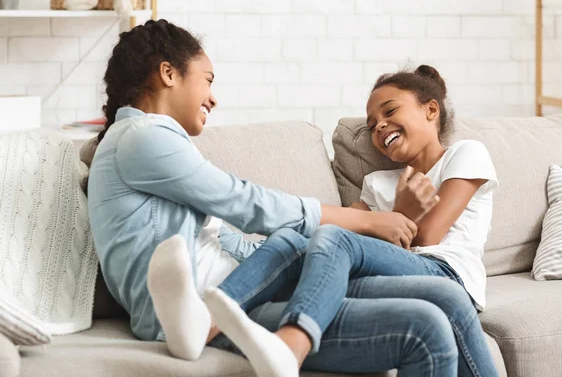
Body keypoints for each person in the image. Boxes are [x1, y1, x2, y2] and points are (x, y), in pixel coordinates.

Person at [86, 19, 495, 377]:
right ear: (168, 73)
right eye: (208, 80)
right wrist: (371, 222)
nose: (213, 97)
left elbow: (230, 235)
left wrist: (280, 247)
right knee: (421, 321)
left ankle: (241, 328)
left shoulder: (146, 143)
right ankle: (224, 327)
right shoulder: (143, 137)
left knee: (442, 298)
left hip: (236, 290)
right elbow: (246, 203)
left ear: (432, 110)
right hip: (204, 304)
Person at [178, 66, 500, 377]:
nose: (381, 127)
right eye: (373, 125)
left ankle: (292, 344)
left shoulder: (464, 154)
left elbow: (429, 236)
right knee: (307, 244)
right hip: (394, 282)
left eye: (390, 112)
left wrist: (399, 215)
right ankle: (205, 321)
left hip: (446, 273)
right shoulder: (377, 183)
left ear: (431, 109)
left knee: (333, 237)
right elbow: (333, 248)